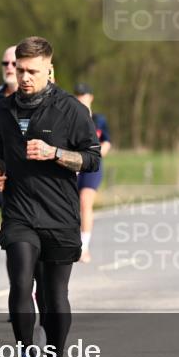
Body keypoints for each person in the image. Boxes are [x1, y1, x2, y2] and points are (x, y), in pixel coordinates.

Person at [0, 36, 101, 357]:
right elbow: (1, 151)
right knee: (21, 283)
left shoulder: (72, 110)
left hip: (59, 214)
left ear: (49, 70)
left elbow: (93, 158)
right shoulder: (3, 109)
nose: (24, 78)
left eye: (32, 71)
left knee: (54, 297)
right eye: (20, 70)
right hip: (20, 212)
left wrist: (54, 153)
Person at [73, 83, 112, 264]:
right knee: (71, 207)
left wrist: (97, 153)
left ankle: (84, 247)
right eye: (78, 95)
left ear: (91, 97)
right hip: (74, 166)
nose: (81, 98)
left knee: (85, 202)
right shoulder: (70, 117)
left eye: (84, 95)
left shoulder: (99, 120)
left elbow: (107, 142)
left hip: (92, 166)